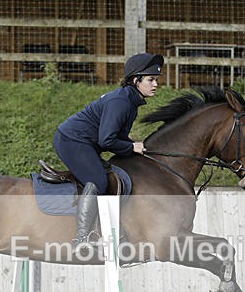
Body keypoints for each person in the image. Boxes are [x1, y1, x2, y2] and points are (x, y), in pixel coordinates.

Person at [53, 52, 163, 255]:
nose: (155, 84)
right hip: (72, 141)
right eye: (151, 79)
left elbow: (115, 137)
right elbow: (107, 140)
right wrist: (131, 147)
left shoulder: (130, 101)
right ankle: (82, 239)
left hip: (87, 142)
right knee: (98, 181)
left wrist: (134, 146)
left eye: (156, 79)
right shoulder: (121, 102)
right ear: (135, 80)